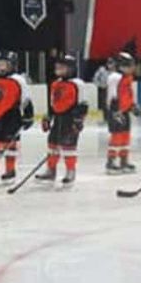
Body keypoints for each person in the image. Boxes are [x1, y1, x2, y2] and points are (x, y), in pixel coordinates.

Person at [0, 53, 34, 183]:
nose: (1, 68)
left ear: (12, 65)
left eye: (4, 65)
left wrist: (28, 115)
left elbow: (25, 99)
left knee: (10, 144)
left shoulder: (18, 80)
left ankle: (10, 170)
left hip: (12, 116)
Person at [36, 54, 89, 186]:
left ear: (70, 69)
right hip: (58, 120)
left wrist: (78, 121)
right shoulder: (55, 84)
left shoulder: (78, 84)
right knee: (52, 144)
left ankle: (70, 171)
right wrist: (48, 116)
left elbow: (83, 104)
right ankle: (51, 170)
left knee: (69, 147)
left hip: (70, 120)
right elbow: (53, 103)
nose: (58, 70)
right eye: (57, 67)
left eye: (62, 67)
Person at [105, 52, 139, 173]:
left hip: (124, 111)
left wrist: (132, 106)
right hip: (116, 112)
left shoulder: (128, 78)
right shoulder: (115, 77)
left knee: (125, 135)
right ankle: (111, 161)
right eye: (129, 65)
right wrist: (115, 111)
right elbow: (113, 95)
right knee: (117, 136)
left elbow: (128, 95)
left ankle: (124, 160)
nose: (132, 68)